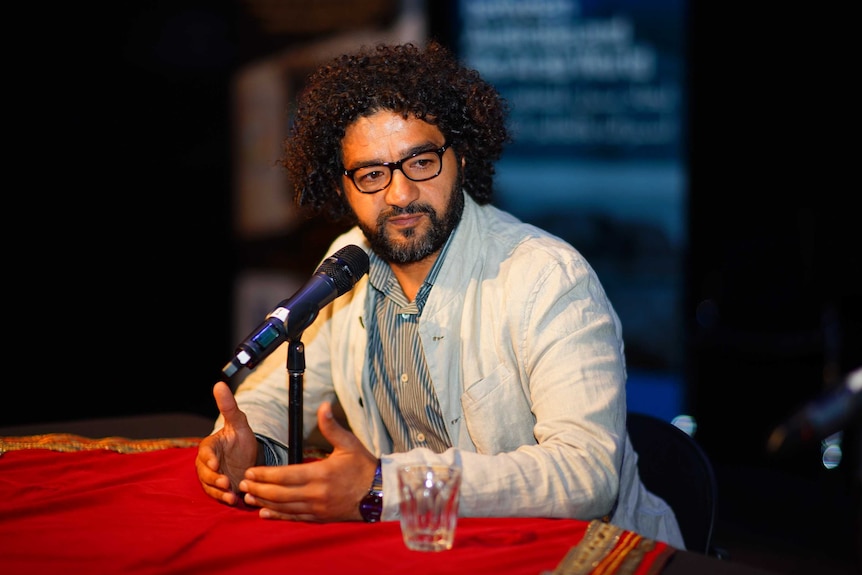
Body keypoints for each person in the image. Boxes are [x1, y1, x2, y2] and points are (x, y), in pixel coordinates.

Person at [195, 40, 685, 548]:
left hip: (587, 555)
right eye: (371, 174)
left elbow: (586, 476)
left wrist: (385, 487)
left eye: (421, 162)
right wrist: (251, 450)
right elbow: (269, 398)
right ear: (343, 187)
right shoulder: (348, 266)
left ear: (462, 156)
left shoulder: (549, 278)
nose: (400, 194)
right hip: (428, 553)